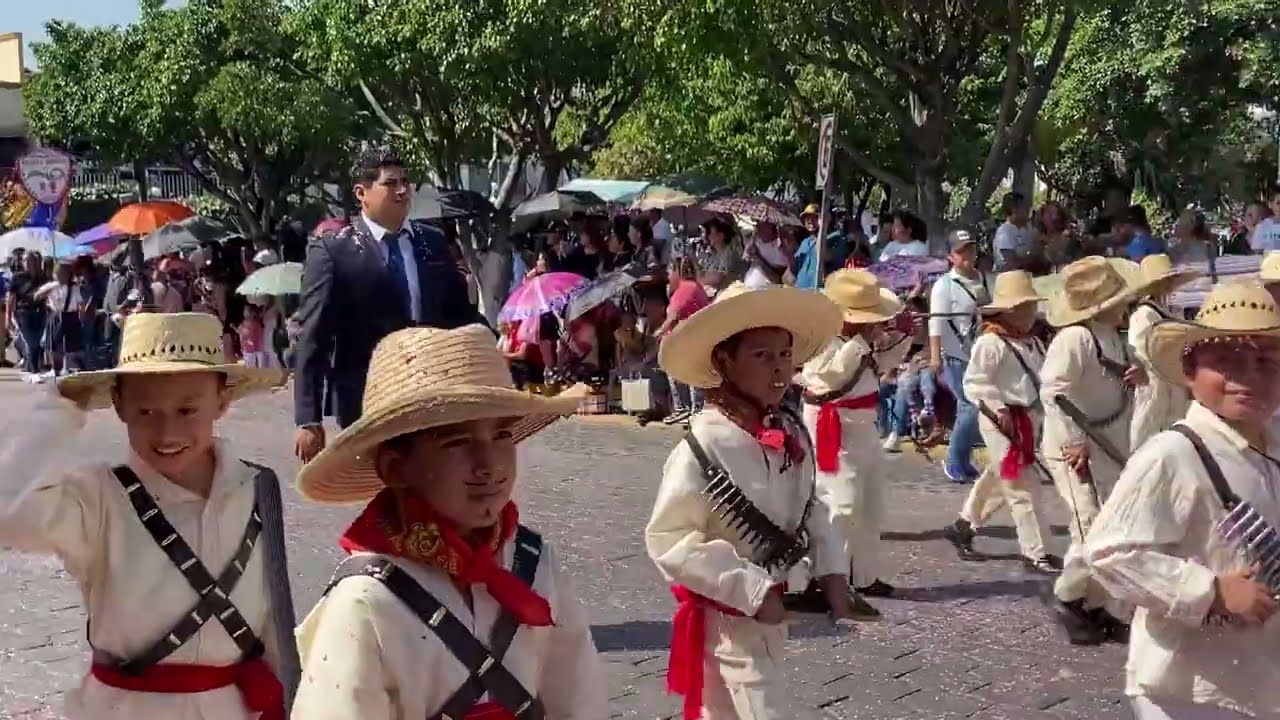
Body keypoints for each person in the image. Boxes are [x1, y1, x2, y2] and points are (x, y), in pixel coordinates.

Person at [290, 325, 604, 719]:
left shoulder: (535, 563)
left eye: (501, 435)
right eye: (455, 442)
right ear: (395, 467)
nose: (489, 465)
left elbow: (578, 697)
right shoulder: (363, 602)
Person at [0, 312, 296, 720]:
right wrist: (57, 416)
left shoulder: (257, 486)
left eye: (187, 410)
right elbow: (9, 514)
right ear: (119, 405)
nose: (167, 432)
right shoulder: (97, 497)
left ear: (223, 400)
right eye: (145, 412)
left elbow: (274, 623)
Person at [645, 282, 855, 720]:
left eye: (784, 353)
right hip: (730, 616)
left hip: (769, 610)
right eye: (761, 356)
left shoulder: (792, 429)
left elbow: (811, 506)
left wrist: (832, 570)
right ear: (724, 362)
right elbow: (669, 539)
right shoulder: (703, 446)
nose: (779, 368)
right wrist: (752, 590)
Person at [1086, 282, 1280, 720]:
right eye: (1226, 362)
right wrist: (1210, 591)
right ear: (1190, 373)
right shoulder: (1171, 454)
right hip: (1190, 688)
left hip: (1259, 671)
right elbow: (1107, 553)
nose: (1247, 376)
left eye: (1266, 362)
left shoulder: (1274, 440)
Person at [293, 145, 483, 456]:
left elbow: (458, 313)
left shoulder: (431, 242)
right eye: (390, 183)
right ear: (361, 192)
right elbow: (313, 335)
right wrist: (307, 419)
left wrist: (492, 343)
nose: (402, 190)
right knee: (382, 488)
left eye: (406, 182)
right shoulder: (333, 251)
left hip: (429, 391)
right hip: (368, 400)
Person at [1040, 256, 1145, 645]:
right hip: (1076, 449)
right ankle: (1068, 599)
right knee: (1092, 527)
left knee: (1113, 528)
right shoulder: (1076, 338)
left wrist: (1138, 375)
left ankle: (1097, 605)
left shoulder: (1114, 337)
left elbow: (1118, 383)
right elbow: (1054, 391)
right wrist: (1074, 440)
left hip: (1109, 445)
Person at [799, 269, 912, 605]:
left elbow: (882, 363)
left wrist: (901, 337)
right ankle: (824, 577)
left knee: (870, 504)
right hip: (833, 425)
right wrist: (863, 341)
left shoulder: (862, 342)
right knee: (841, 503)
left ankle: (863, 576)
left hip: (865, 426)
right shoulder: (823, 340)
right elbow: (830, 377)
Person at [941, 271, 1058, 574]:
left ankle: (964, 524)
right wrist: (998, 409)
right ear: (1008, 311)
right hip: (1001, 420)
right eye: (1024, 307)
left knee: (999, 476)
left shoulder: (1033, 343)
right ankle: (1036, 552)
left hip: (1027, 419)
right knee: (1023, 487)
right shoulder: (990, 343)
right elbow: (975, 383)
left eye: (1032, 306)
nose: (1031, 313)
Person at [928, 229, 990, 482]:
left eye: (970, 249)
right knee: (969, 407)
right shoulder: (945, 286)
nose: (967, 255)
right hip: (956, 355)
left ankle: (962, 461)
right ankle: (954, 461)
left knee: (976, 407)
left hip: (981, 352)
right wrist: (935, 356)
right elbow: (936, 322)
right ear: (951, 256)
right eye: (960, 251)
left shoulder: (982, 279)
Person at [1127, 254, 1199, 451]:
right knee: (1149, 433)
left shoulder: (1168, 310)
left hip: (1172, 379)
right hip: (1155, 382)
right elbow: (1140, 351)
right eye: (1164, 281)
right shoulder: (1144, 314)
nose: (1168, 285)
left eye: (1170, 280)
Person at [659, 256, 712, 424]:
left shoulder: (685, 288)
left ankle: (688, 409)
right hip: (689, 338)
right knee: (684, 374)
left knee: (686, 375)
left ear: (676, 272)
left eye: (669, 272)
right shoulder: (693, 286)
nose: (668, 277)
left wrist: (658, 333)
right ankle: (690, 409)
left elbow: (673, 317)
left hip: (689, 340)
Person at [6, 251, 47, 373]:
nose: (29, 264)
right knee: (32, 341)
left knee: (39, 341)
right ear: (22, 263)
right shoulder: (17, 278)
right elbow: (11, 298)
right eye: (26, 261)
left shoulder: (42, 277)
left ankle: (32, 366)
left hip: (40, 312)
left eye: (32, 261)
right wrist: (8, 318)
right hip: (23, 312)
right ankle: (34, 368)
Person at [743, 221, 791, 288]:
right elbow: (746, 258)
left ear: (771, 228)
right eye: (757, 224)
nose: (757, 228)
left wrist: (758, 260)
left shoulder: (781, 250)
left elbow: (778, 279)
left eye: (762, 226)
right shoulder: (756, 240)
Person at [993, 192, 1033, 270]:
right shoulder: (1005, 232)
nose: (1028, 210)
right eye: (1025, 207)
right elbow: (1011, 264)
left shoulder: (1027, 228)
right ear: (1014, 210)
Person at [792, 204, 823, 290]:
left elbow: (824, 254)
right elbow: (795, 264)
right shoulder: (805, 242)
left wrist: (822, 228)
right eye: (807, 218)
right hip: (801, 290)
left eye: (814, 218)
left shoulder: (833, 238)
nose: (810, 221)